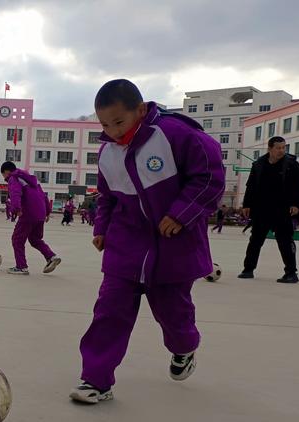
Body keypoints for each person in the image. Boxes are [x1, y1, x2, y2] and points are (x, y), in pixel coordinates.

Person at [69, 79, 225, 404]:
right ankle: (95, 380)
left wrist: (181, 214)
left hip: (173, 247)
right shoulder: (108, 153)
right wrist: (102, 228)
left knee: (174, 315)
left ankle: (185, 348)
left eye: (119, 122)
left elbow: (209, 176)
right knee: (109, 312)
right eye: (104, 125)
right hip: (126, 246)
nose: (112, 131)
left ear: (140, 111)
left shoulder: (173, 135)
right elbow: (107, 196)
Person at [238, 136, 299, 283]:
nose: (281, 151)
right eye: (278, 148)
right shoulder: (259, 164)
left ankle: (291, 273)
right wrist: (247, 205)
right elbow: (251, 186)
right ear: (270, 149)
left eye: (283, 147)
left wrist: (296, 204)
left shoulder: (291, 164)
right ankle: (248, 269)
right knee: (255, 240)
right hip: (262, 209)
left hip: (283, 210)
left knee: (285, 241)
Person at [0, 161, 62, 275]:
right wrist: (47, 211)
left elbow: (15, 193)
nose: (4, 178)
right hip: (40, 214)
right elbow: (43, 195)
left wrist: (16, 209)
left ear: (7, 172)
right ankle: (51, 256)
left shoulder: (14, 178)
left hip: (28, 213)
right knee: (35, 239)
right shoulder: (32, 179)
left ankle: (21, 266)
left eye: (3, 175)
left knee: (17, 240)